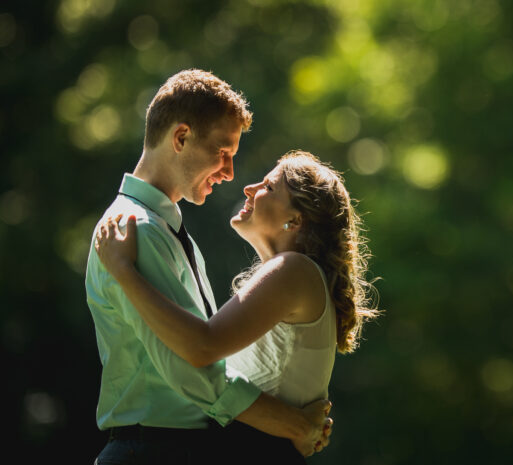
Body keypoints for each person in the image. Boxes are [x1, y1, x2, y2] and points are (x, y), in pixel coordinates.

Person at [85, 70, 333, 465]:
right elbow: (192, 368)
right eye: (223, 152)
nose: (231, 173)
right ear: (181, 138)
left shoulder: (170, 231)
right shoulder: (138, 231)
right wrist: (290, 423)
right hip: (152, 451)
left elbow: (206, 352)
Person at [95, 149, 379, 463]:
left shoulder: (293, 271)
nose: (249, 188)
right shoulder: (296, 277)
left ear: (295, 220)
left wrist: (124, 271)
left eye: (269, 187)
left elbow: (203, 347)